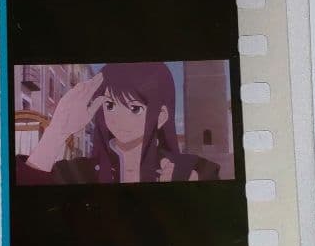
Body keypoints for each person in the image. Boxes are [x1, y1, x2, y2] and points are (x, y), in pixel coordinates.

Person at [16, 63, 220, 185]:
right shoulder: (77, 172)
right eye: (110, 105)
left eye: (135, 108)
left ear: (161, 116)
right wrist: (58, 130)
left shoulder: (195, 170)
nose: (118, 118)